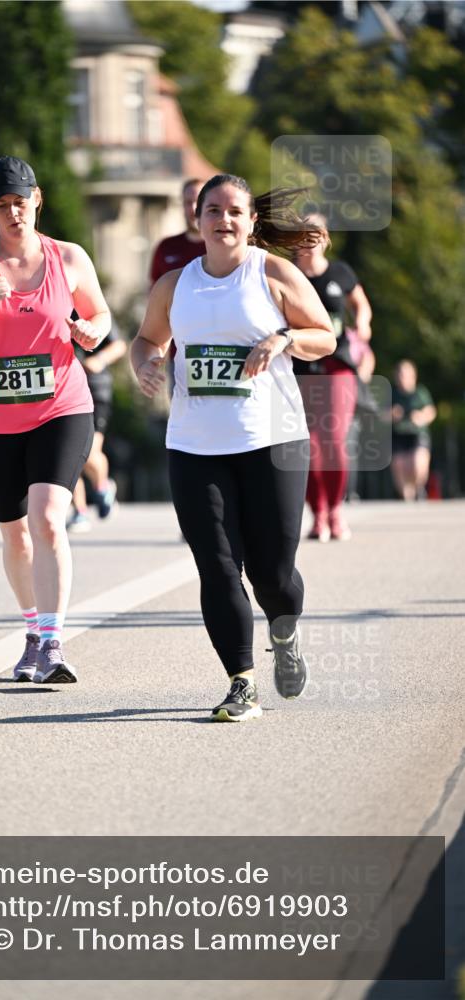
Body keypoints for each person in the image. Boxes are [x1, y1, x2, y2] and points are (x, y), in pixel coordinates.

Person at [131, 174, 335, 723]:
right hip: (194, 446)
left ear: (251, 221)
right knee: (218, 566)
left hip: (272, 440)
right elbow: (147, 339)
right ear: (197, 219)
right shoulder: (175, 285)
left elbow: (325, 335)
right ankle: (241, 681)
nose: (224, 220)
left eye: (234, 211)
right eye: (213, 210)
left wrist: (283, 338)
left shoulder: (273, 273)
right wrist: (146, 364)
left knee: (272, 574)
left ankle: (284, 631)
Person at [0, 155, 110, 684]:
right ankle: (33, 631)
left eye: (22, 202)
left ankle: (53, 644)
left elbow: (100, 315)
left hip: (61, 407)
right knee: (15, 536)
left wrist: (92, 331)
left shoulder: (68, 257)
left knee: (48, 518)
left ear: (38, 201)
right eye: (3, 205)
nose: (15, 213)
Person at [294, 214, 373, 541]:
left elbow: (361, 305)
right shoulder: (287, 274)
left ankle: (336, 509)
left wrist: (363, 324)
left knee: (333, 439)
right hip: (300, 366)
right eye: (303, 234)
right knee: (308, 444)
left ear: (326, 239)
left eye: (316, 234)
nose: (309, 240)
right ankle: (318, 513)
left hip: (337, 363)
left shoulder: (340, 272)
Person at [68, 320, 127, 533]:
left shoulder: (90, 307)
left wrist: (99, 360)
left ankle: (102, 486)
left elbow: (119, 345)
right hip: (62, 390)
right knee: (67, 455)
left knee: (90, 453)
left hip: (94, 389)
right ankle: (79, 511)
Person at [149, 178, 206, 395]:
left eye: (199, 201)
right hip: (180, 354)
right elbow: (154, 301)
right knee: (182, 412)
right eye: (188, 202)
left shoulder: (224, 249)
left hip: (226, 351)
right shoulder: (166, 248)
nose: (193, 208)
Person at [390, 359, 436, 500]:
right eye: (400, 374)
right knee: (399, 466)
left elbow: (431, 411)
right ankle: (407, 499)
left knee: (417, 464)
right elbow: (381, 415)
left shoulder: (420, 392)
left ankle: (419, 488)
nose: (402, 378)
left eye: (405, 374)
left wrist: (421, 416)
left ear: (413, 376)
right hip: (398, 435)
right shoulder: (392, 394)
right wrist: (391, 414)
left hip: (417, 434)